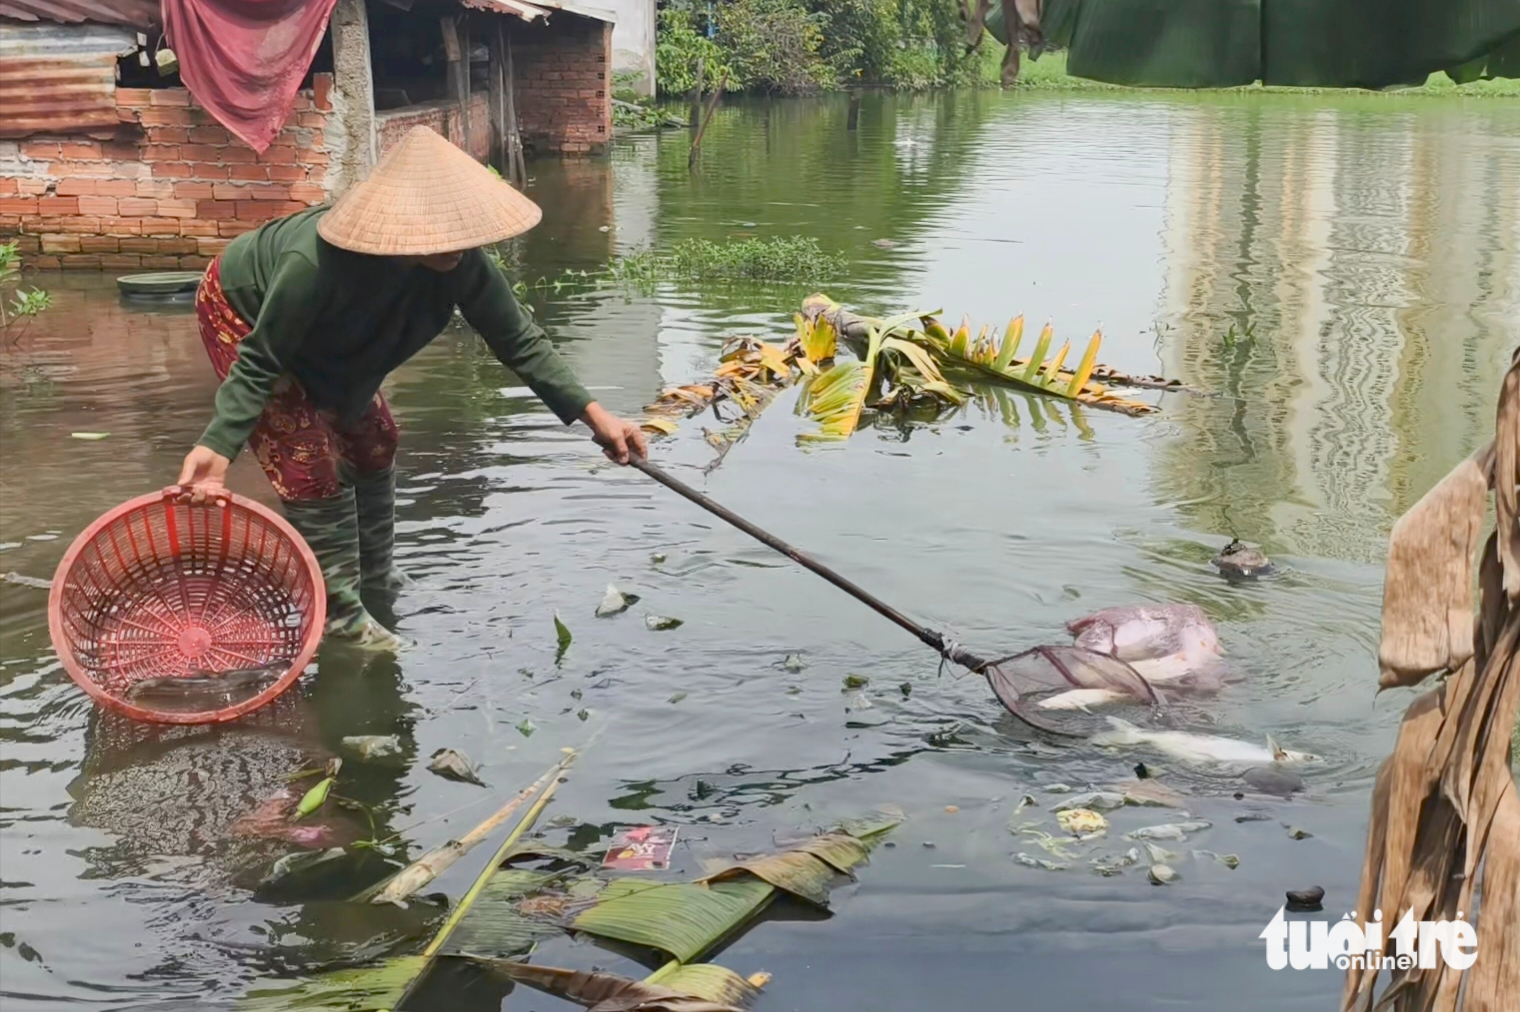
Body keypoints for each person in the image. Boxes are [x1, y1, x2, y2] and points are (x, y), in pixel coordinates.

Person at [178, 126, 647, 648]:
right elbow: (263, 358)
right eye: (443, 232)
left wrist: (596, 416)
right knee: (306, 461)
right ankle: (339, 614)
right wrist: (219, 446)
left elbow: (520, 340)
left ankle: (377, 576)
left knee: (376, 439)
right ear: (403, 226)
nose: (460, 245)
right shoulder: (312, 264)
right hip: (242, 310)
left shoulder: (460, 263)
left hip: (337, 338)